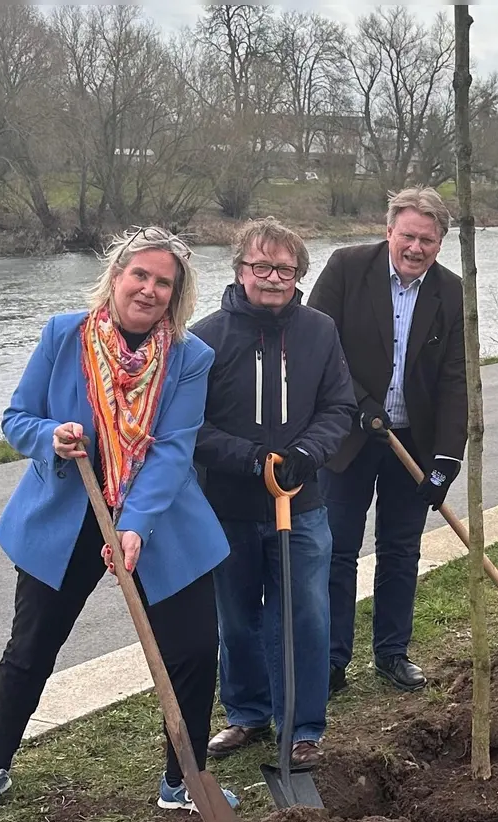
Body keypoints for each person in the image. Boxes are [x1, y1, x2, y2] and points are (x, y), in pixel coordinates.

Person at [0, 227, 234, 816]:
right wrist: (48, 436)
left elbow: (171, 450)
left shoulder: (190, 357)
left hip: (157, 521)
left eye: (164, 282)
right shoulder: (65, 335)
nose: (149, 289)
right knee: (32, 646)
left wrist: (133, 525)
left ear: (176, 294)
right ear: (116, 275)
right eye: (140, 274)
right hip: (67, 515)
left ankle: (181, 780)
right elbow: (17, 417)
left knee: (193, 647)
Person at [193, 219, 357, 767]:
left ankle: (304, 726)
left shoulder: (319, 332)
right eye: (261, 266)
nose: (272, 278)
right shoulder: (204, 338)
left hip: (302, 505)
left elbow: (340, 406)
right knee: (236, 616)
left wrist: (309, 453)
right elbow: (191, 426)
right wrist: (250, 459)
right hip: (229, 507)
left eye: (285, 269)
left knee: (305, 614)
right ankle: (247, 713)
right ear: (240, 270)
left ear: (298, 276)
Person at [310, 187, 467, 693]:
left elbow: (455, 379)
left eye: (427, 239)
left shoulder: (452, 292)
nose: (416, 248)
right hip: (347, 440)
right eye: (408, 236)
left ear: (440, 243)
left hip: (412, 445)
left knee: (401, 550)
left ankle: (392, 653)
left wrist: (446, 459)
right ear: (388, 231)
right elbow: (318, 346)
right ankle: (332, 660)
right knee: (336, 550)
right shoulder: (345, 269)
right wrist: (358, 401)